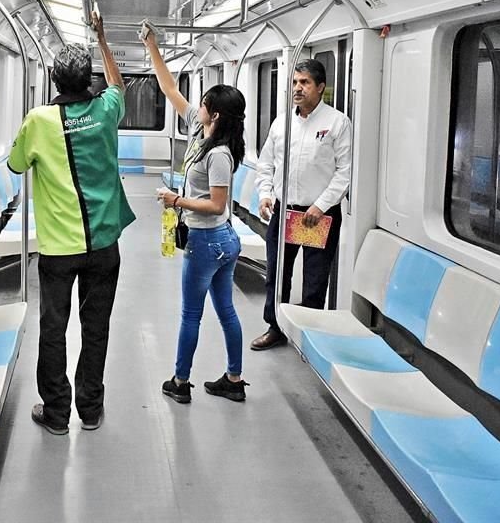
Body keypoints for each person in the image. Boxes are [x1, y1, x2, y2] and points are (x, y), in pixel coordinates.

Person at [8, 11, 135, 434]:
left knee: (54, 330)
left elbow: (14, 163)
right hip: (103, 246)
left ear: (54, 81)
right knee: (96, 328)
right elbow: (118, 85)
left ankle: (57, 413)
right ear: (89, 81)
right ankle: (91, 410)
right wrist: (102, 38)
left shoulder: (38, 121)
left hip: (59, 249)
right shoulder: (106, 110)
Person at [143, 27, 250, 403]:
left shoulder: (219, 154)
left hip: (209, 240)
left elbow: (217, 204)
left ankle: (180, 381)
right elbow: (170, 89)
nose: (196, 105)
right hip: (220, 242)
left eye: (203, 102)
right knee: (225, 309)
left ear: (215, 114)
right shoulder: (198, 132)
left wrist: (177, 201)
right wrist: (152, 47)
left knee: (192, 314)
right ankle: (234, 381)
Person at [250, 58, 351, 351]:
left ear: (320, 87)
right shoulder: (282, 123)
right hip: (286, 212)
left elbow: (345, 171)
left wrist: (320, 205)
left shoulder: (336, 123)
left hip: (316, 216)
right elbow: (266, 163)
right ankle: (275, 326)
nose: (298, 88)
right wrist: (266, 194)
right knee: (278, 272)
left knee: (315, 279)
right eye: (295, 82)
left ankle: (309, 334)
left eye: (304, 83)